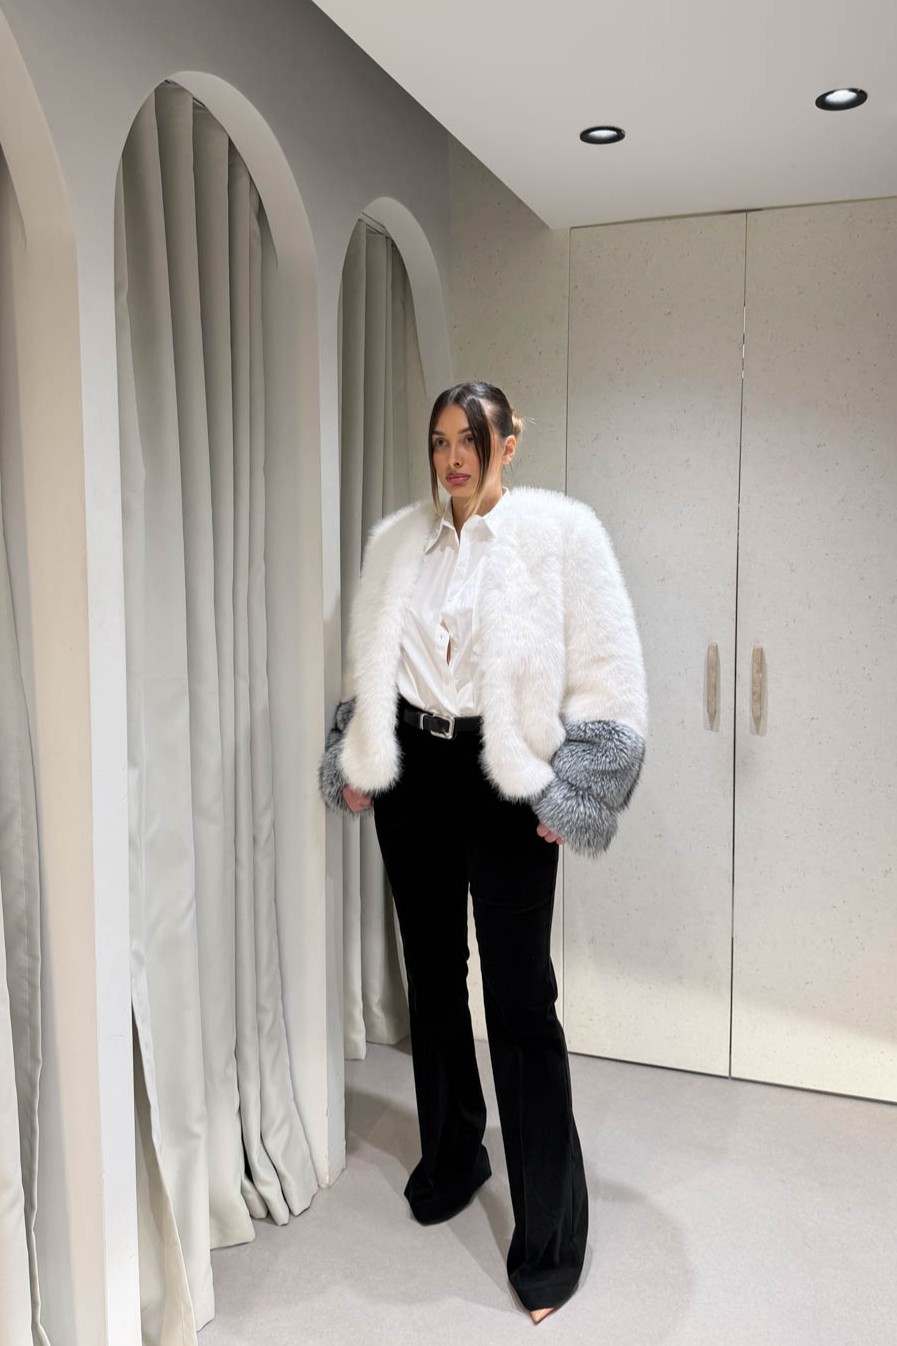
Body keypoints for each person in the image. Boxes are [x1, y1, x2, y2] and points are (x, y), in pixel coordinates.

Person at [318, 381, 648, 1323]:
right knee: (430, 975)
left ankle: (549, 1239)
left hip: (504, 779)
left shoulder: (560, 537)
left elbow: (609, 676)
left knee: (518, 1003)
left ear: (508, 443)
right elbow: (375, 663)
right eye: (438, 441)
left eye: (470, 439)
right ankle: (455, 1151)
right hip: (413, 773)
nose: (452, 458)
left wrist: (572, 788)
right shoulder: (398, 543)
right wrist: (355, 750)